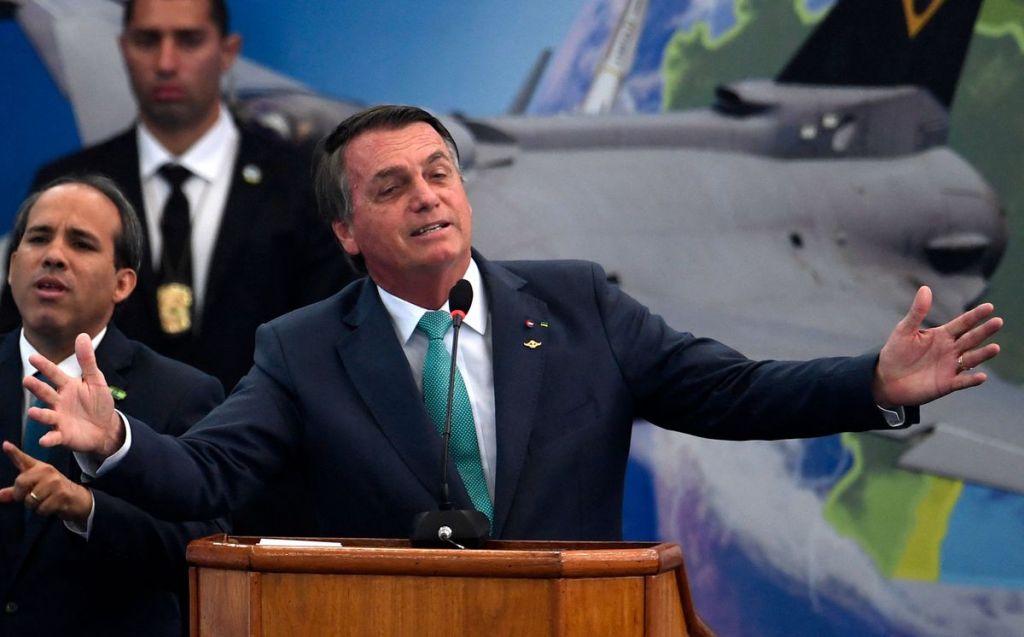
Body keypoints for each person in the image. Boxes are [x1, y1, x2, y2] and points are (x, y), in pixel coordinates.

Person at [24, 105, 1002, 543]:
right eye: (392, 186)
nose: (427, 195)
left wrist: (872, 384)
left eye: (439, 173)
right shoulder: (301, 346)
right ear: (347, 231)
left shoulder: (578, 304)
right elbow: (210, 475)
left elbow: (734, 392)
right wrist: (117, 442)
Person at [0, 0, 357, 392]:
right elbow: (18, 339)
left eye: (189, 40)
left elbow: (333, 341)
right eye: (147, 40)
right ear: (124, 49)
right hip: (98, 428)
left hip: (267, 428)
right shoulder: (66, 185)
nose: (166, 63)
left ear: (227, 52)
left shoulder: (303, 184)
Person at [0, 176, 224, 637]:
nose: (54, 255)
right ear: (12, 264)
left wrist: (88, 510)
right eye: (38, 238)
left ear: (122, 283)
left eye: (80, 244)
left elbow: (205, 549)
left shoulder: (182, 393)